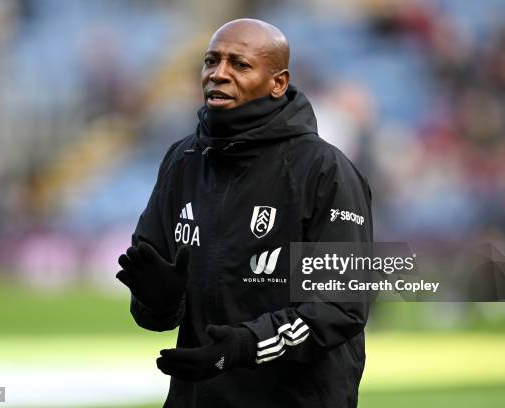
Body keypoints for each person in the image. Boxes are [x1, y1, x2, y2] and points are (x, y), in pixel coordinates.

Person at [116, 18, 373, 408]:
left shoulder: (324, 170)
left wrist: (245, 344)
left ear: (278, 83)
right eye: (211, 61)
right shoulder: (181, 161)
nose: (218, 74)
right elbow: (153, 310)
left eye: (239, 64)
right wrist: (158, 301)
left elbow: (339, 307)